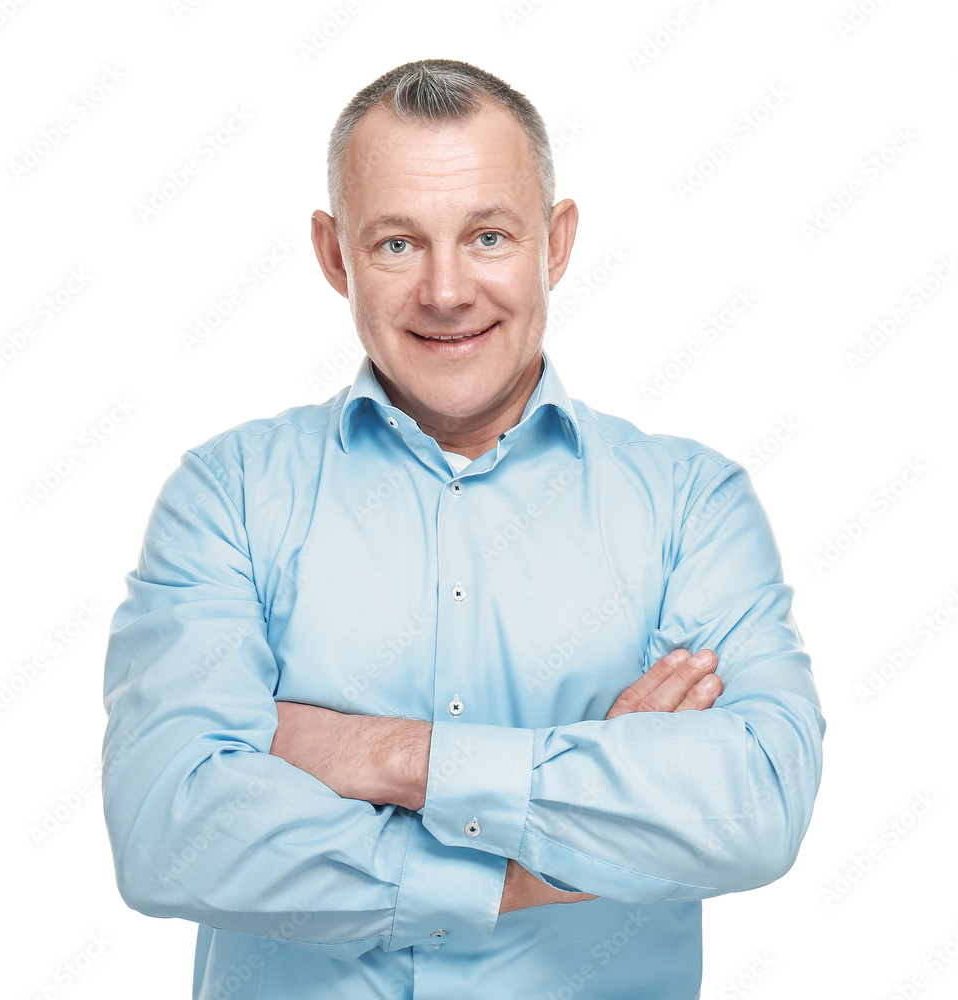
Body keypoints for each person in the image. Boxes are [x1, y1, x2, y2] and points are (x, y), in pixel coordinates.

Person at [101, 59, 824, 999]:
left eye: (488, 236)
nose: (446, 292)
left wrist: (377, 755)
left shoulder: (692, 504)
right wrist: (543, 855)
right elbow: (167, 829)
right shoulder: (228, 495)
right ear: (334, 255)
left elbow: (755, 806)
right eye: (398, 244)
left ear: (555, 244)